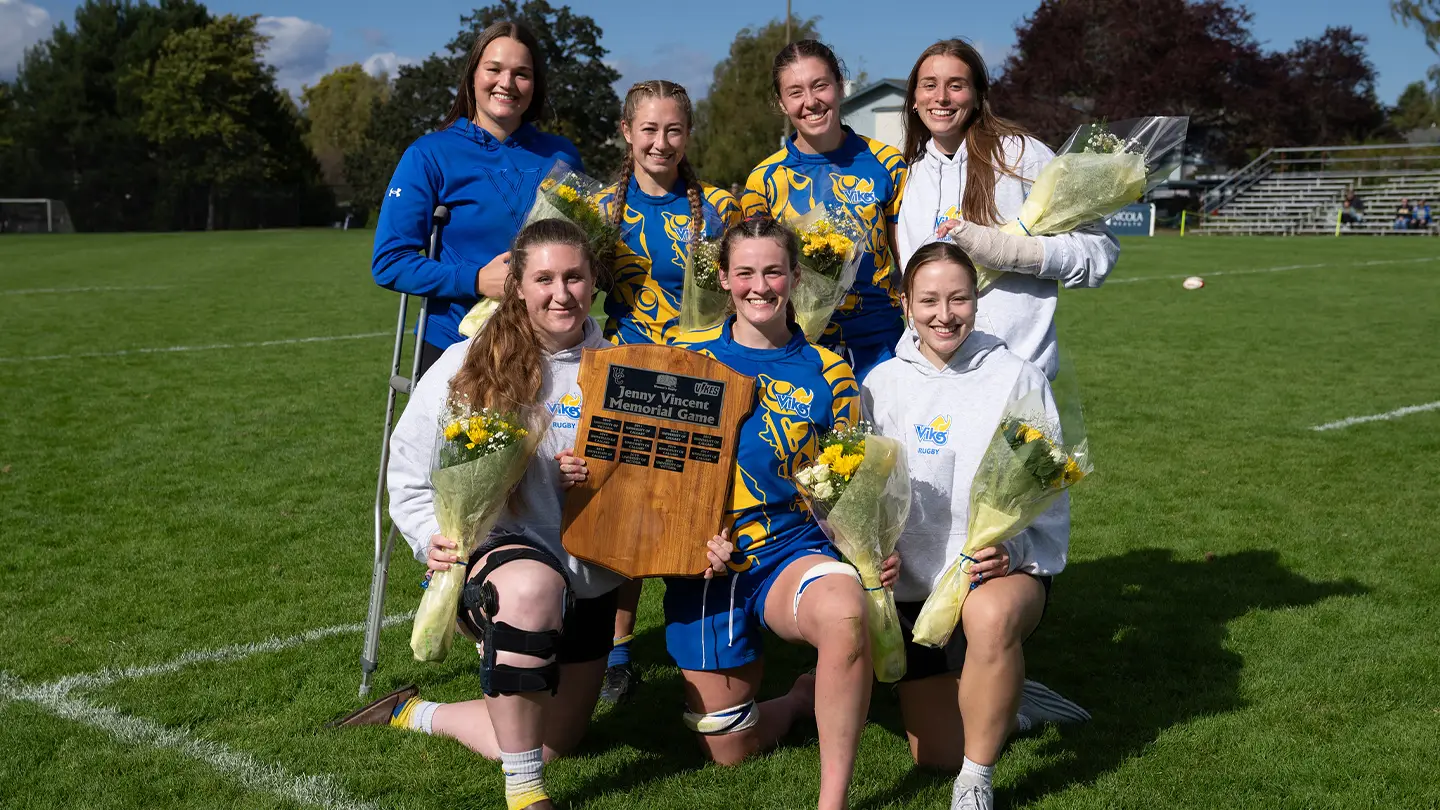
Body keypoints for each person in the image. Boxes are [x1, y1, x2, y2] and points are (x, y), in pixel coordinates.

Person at [333, 219, 733, 810]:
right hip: (504, 566)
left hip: (592, 580)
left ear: (594, 280)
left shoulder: (630, 370)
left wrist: (694, 532)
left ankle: (414, 711)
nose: (560, 292)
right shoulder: (467, 363)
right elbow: (408, 472)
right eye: (543, 278)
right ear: (516, 285)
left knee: (555, 741)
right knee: (530, 588)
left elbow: (671, 484)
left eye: (573, 276)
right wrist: (430, 540)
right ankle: (525, 795)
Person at [665, 216, 877, 810]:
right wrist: (687, 542)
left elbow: (846, 481)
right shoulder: (686, 357)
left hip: (790, 550)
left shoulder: (830, 370)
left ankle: (831, 801)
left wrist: (866, 546)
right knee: (729, 746)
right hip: (707, 565)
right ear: (726, 280)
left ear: (796, 276)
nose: (760, 286)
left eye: (773, 271)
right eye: (746, 272)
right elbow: (655, 480)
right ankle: (803, 698)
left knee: (842, 614)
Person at [862, 242, 1083, 810]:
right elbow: (867, 495)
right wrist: (871, 551)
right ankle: (1012, 701)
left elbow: (1047, 489)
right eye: (929, 300)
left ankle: (976, 780)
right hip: (914, 590)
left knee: (987, 616)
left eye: (958, 298)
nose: (945, 314)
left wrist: (1015, 547)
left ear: (977, 300)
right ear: (905, 302)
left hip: (998, 573)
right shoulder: (882, 385)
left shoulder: (1017, 378)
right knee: (935, 752)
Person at [589, 79, 743, 703]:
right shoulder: (598, 209)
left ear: (688, 134)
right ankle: (616, 653)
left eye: (673, 130)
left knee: (697, 508)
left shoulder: (720, 208)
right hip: (624, 375)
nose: (661, 142)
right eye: (648, 129)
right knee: (626, 512)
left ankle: (706, 644)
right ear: (627, 133)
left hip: (700, 379)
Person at [895, 39, 1118, 381]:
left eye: (956, 85)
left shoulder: (1020, 156)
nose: (941, 97)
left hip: (1017, 381)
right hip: (933, 382)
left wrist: (1018, 253)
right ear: (913, 99)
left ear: (978, 96)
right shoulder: (909, 175)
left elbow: (1100, 252)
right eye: (929, 85)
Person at [371, 20, 583, 377]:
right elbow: (390, 262)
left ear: (536, 84)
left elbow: (580, 248)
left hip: (548, 349)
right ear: (473, 75)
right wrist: (475, 280)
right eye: (494, 69)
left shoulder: (562, 156)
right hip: (457, 347)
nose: (507, 83)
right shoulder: (430, 154)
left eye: (522, 73)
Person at [741, 40, 908, 382]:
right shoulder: (763, 181)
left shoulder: (889, 164)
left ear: (840, 86)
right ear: (781, 102)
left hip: (881, 347)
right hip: (797, 351)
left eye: (820, 85)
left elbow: (908, 262)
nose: (811, 102)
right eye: (795, 92)